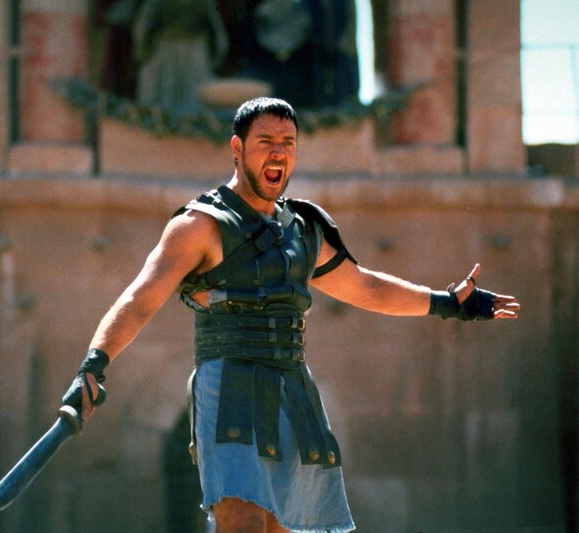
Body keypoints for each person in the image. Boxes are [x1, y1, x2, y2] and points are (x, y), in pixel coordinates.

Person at [62, 97, 521, 533]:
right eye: (266, 142)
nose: (278, 153)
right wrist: (94, 364)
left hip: (291, 386)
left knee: (283, 526)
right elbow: (141, 298)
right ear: (238, 148)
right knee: (242, 523)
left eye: (288, 143)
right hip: (228, 386)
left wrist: (448, 303)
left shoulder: (302, 230)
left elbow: (364, 286)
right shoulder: (198, 226)